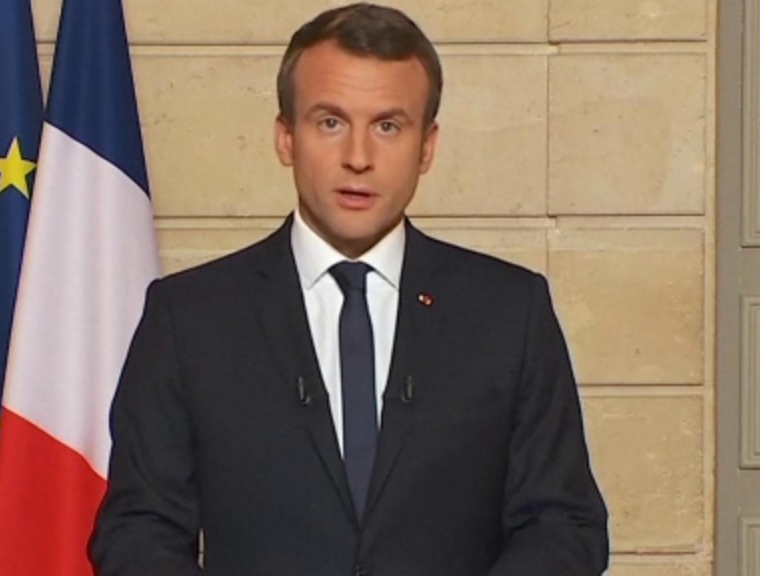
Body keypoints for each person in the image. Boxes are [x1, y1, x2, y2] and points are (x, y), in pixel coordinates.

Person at [90, 3, 608, 575]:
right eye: (330, 123)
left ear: (427, 146)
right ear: (286, 137)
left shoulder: (509, 313)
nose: (358, 158)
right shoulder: (190, 318)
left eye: (388, 126)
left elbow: (564, 525)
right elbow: (139, 531)